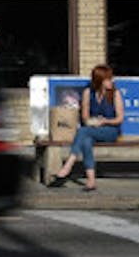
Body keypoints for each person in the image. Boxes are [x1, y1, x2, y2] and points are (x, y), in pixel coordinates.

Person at [50, 63, 125, 191]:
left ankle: (68, 166)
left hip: (110, 130)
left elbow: (119, 119)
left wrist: (105, 121)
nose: (112, 81)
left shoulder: (115, 93)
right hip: (92, 129)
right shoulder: (87, 92)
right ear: (100, 81)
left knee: (83, 132)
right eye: (108, 79)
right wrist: (92, 121)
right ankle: (91, 181)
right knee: (86, 140)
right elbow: (84, 117)